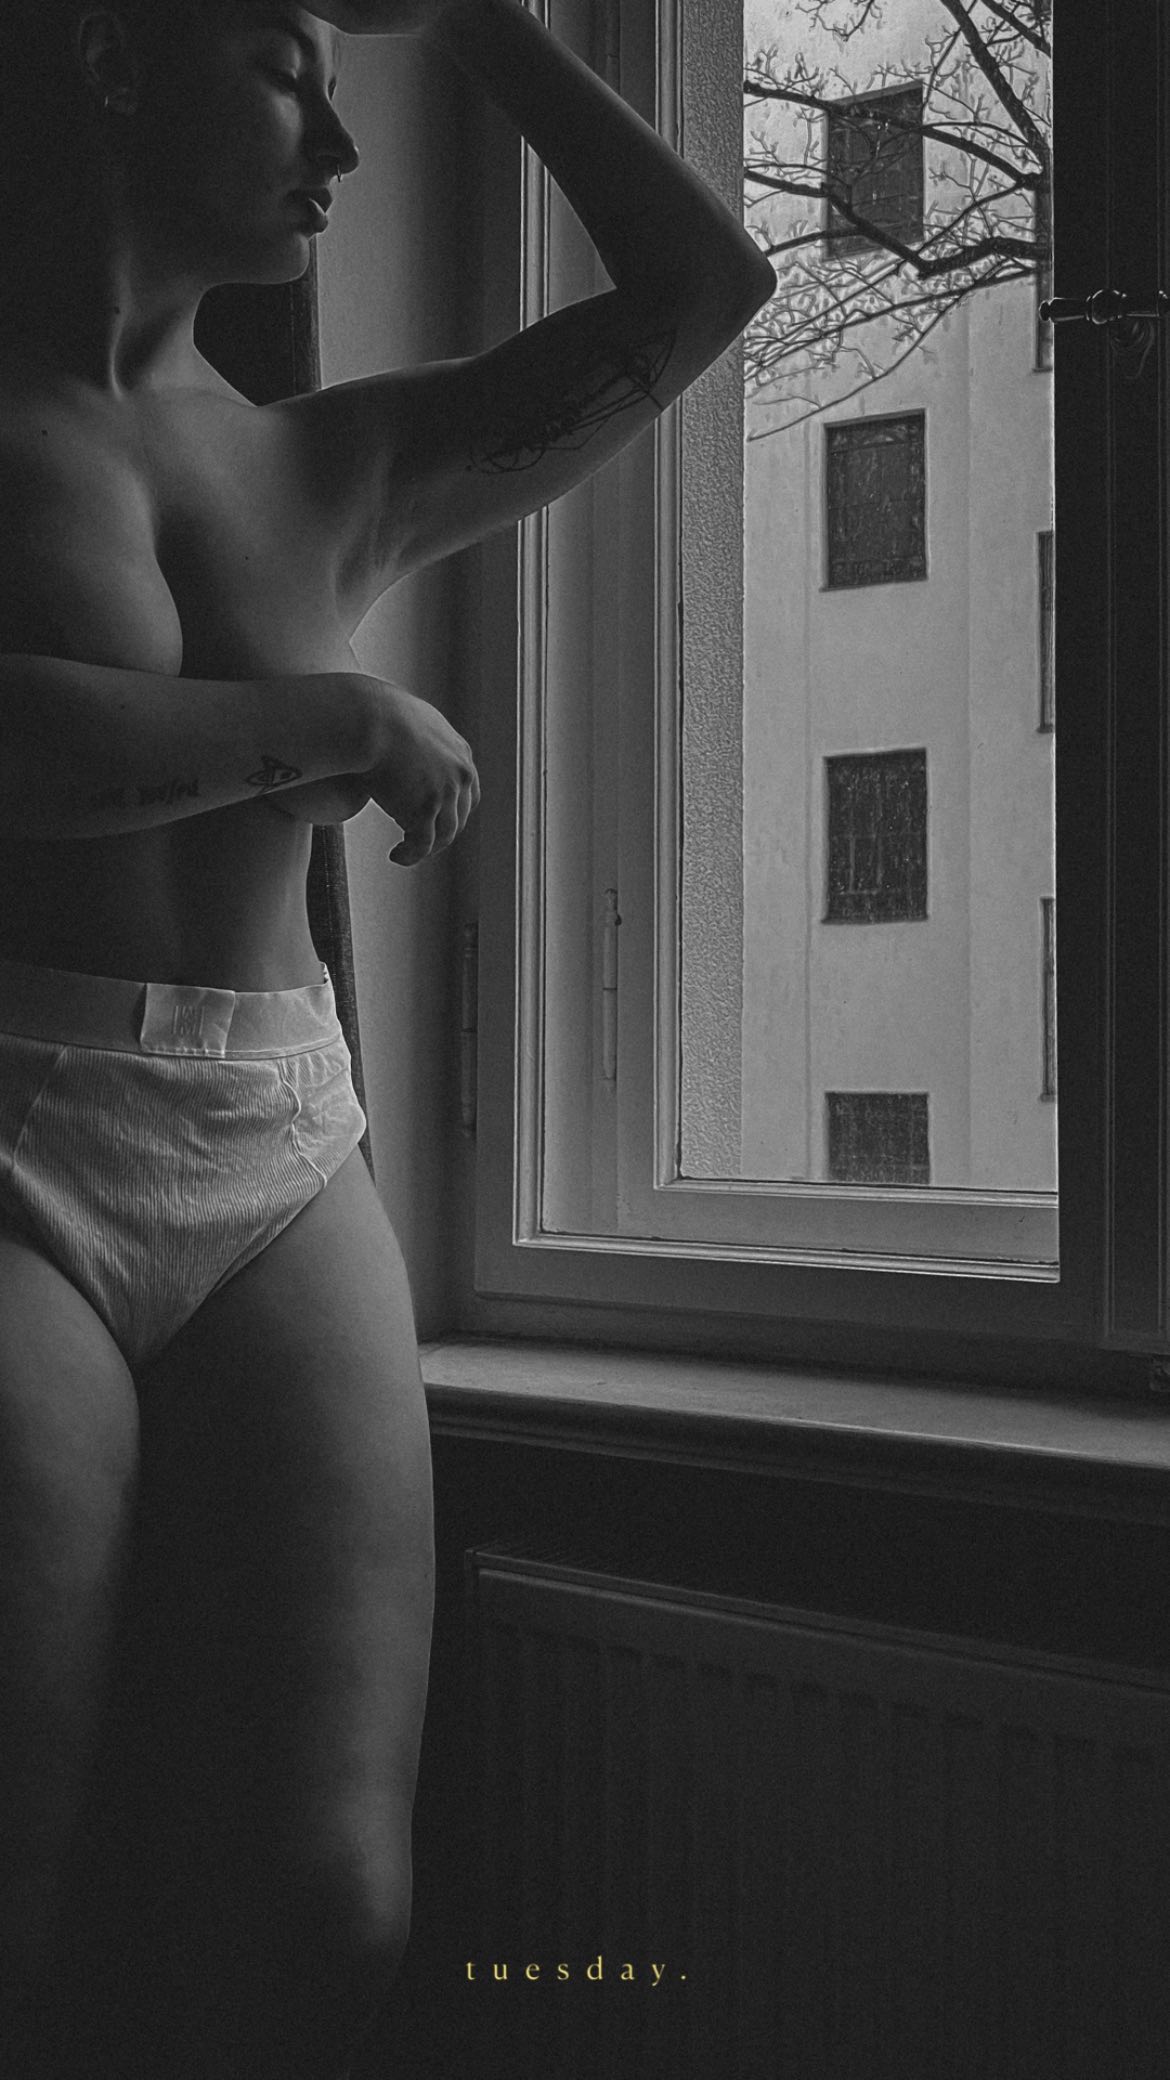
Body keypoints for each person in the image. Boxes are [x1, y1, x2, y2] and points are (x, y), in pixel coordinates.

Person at [0, 1, 774, 2074]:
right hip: (13, 1125)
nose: (339, 142)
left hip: (273, 1142)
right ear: (111, 64)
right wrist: (325, 719)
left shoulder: (322, 458)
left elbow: (701, 292)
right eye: (288, 69)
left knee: (333, 1898)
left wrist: (485, 23)